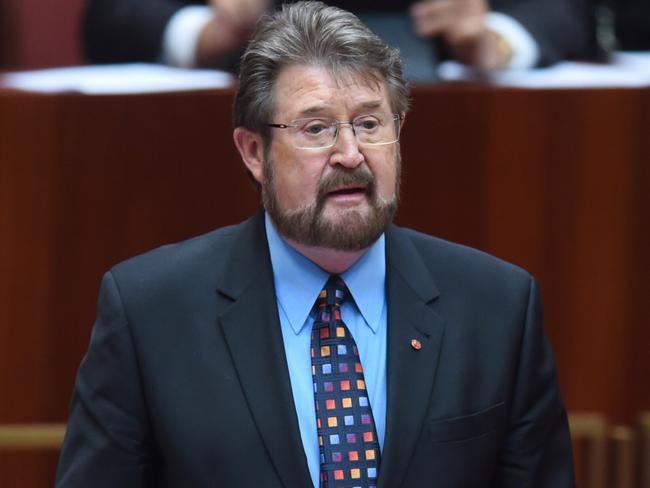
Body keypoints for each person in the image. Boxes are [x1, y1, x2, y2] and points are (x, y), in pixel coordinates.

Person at [57, 2, 574, 486]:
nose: (350, 154)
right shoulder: (149, 315)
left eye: (370, 124)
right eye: (317, 128)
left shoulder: (500, 308)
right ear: (254, 151)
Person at [82, 0, 595, 81]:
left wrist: (493, 42)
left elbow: (570, 13)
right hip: (240, 105)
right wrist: (208, 32)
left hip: (462, 114)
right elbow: (111, 19)